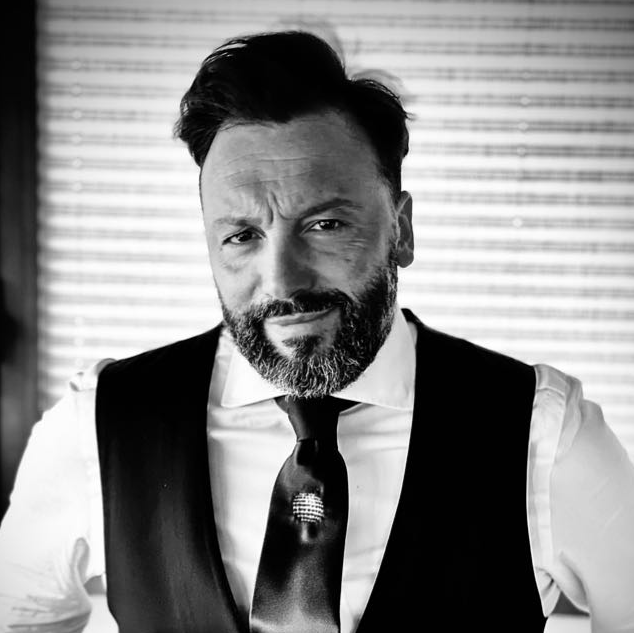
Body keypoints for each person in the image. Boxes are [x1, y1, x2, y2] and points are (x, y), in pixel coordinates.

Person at [1, 30, 633, 633]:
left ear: (401, 230)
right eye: (241, 235)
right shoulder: (95, 426)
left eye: (325, 225)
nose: (282, 281)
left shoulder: (547, 434)